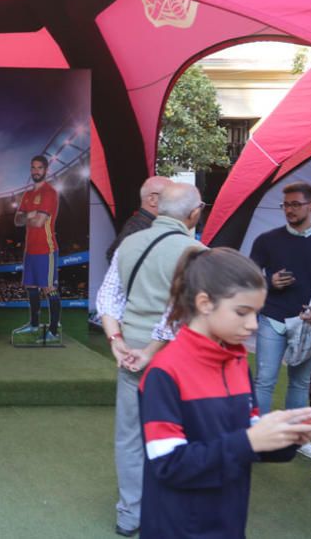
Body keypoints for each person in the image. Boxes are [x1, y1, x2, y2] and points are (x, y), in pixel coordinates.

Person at [139, 247, 311, 538]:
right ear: (204, 303)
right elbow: (169, 464)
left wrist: (287, 436)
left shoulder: (237, 362)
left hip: (229, 521)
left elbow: (247, 435)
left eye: (257, 314)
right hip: (177, 527)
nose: (252, 325)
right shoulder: (164, 372)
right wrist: (249, 440)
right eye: (242, 312)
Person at [96, 182, 206, 537]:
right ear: (193, 214)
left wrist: (117, 341)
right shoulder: (197, 252)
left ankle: (130, 512)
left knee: (129, 435)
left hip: (130, 351)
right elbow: (180, 311)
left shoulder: (129, 243)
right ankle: (171, 508)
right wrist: (152, 350)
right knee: (178, 433)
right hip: (178, 359)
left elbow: (107, 298)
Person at [247, 181, 311, 462]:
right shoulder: (267, 240)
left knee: (300, 383)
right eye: (286, 205)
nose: (289, 210)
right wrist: (269, 283)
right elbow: (249, 278)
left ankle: (296, 439)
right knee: (265, 381)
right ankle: (260, 439)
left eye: (295, 204)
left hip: (310, 323)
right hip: (273, 318)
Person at [13, 155, 62, 341]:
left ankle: (54, 331)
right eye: (33, 167)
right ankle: (34, 324)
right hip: (30, 249)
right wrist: (30, 214)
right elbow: (17, 221)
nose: (35, 171)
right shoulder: (27, 195)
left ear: (46, 170)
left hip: (46, 249)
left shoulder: (50, 193)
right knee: (32, 288)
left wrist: (28, 214)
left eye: (39, 168)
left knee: (49, 288)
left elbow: (40, 221)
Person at [105, 176, 172, 264]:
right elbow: (115, 258)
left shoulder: (146, 225)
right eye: (170, 196)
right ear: (152, 199)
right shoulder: (136, 229)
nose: (175, 201)